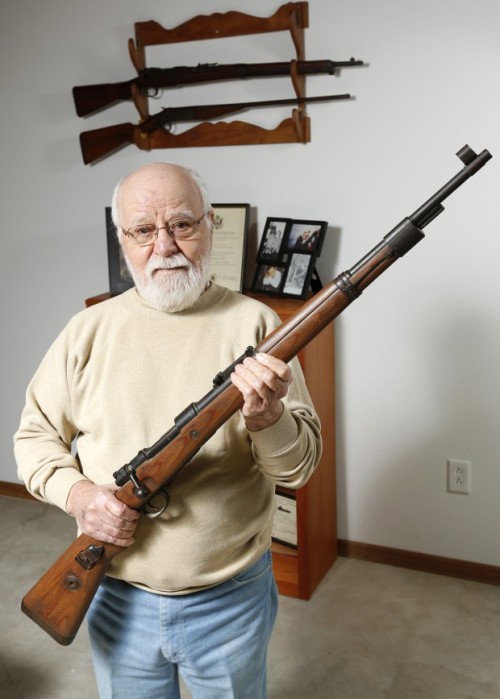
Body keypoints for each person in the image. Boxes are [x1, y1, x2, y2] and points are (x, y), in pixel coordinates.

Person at [14, 162, 322, 699]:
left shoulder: (257, 325)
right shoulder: (86, 331)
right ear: (122, 241)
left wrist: (267, 419)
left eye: (182, 224)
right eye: (143, 230)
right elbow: (34, 439)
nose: (165, 245)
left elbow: (300, 465)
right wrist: (81, 496)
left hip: (230, 599)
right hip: (113, 590)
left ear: (210, 227)